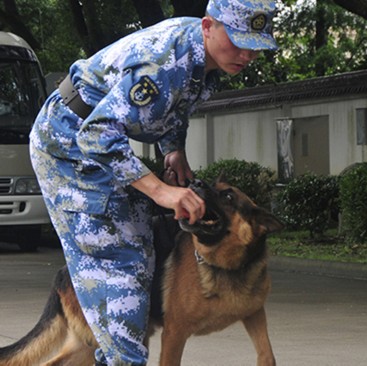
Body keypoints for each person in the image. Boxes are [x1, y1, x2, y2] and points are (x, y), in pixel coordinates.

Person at [29, 0, 278, 365]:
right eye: (238, 41)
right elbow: (96, 134)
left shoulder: (201, 58)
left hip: (96, 150)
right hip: (70, 149)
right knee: (119, 273)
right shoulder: (163, 63)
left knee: (141, 257)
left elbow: (169, 108)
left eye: (255, 46)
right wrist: (161, 190)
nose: (246, 54)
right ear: (208, 26)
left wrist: (172, 150)